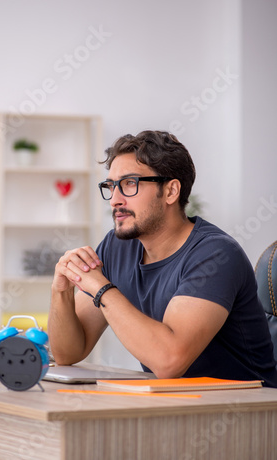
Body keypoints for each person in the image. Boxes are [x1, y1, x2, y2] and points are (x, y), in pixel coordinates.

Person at [48, 130, 277, 387]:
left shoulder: (216, 254)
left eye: (129, 184)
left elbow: (169, 361)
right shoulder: (117, 246)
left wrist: (101, 288)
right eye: (111, 186)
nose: (114, 200)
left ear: (171, 191)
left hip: (248, 411)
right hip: (174, 404)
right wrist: (61, 291)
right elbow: (67, 354)